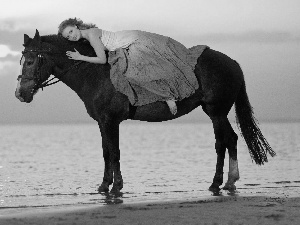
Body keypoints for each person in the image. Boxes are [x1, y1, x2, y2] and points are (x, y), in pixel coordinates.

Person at [58, 18, 204, 115]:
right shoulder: (89, 35)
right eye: (68, 37)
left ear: (76, 26)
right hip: (126, 42)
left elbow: (102, 59)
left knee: (137, 74)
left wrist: (80, 57)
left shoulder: (91, 35)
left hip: (133, 42)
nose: (71, 36)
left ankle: (168, 96)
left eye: (71, 31)